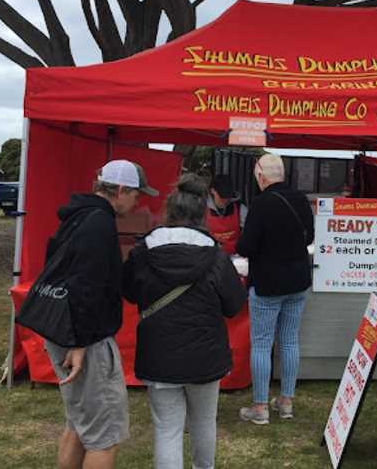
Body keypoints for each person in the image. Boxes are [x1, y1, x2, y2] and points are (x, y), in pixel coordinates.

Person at [123, 174, 246, 469]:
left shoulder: (143, 252)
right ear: (201, 213)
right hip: (205, 356)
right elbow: (233, 305)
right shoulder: (215, 256)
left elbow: (127, 291)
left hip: (159, 353)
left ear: (170, 212)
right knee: (204, 423)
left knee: (167, 429)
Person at [45, 159, 157, 469]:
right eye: (136, 194)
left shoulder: (78, 215)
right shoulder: (99, 223)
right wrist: (80, 343)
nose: (139, 201)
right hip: (86, 339)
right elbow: (85, 285)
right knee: (104, 436)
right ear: (120, 190)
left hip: (64, 329)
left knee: (80, 425)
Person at [236, 154, 314, 425]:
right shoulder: (301, 200)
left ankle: (260, 408)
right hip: (298, 281)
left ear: (261, 177)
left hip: (268, 283)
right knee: (290, 340)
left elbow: (245, 247)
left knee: (262, 343)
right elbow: (310, 237)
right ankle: (286, 402)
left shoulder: (260, 204)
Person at [205, 174, 248, 254]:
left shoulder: (241, 210)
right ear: (212, 191)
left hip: (235, 258)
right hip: (210, 258)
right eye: (222, 196)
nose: (225, 200)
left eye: (227, 197)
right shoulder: (202, 210)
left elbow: (248, 237)